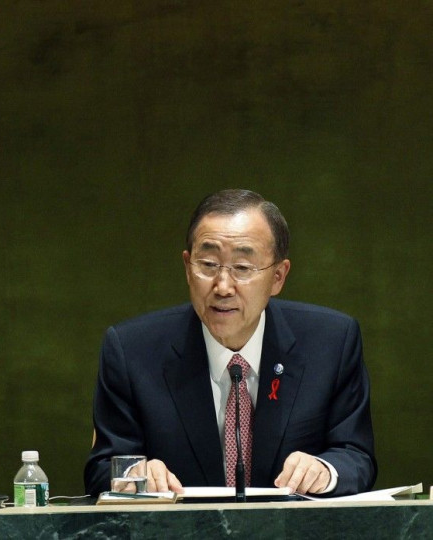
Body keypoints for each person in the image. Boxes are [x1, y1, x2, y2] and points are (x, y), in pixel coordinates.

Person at [84, 189, 376, 497]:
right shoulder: (132, 350)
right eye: (208, 264)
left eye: (242, 268)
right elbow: (102, 468)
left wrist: (324, 471)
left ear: (278, 276)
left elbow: (356, 456)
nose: (223, 286)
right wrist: (134, 474)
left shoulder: (331, 342)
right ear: (187, 267)